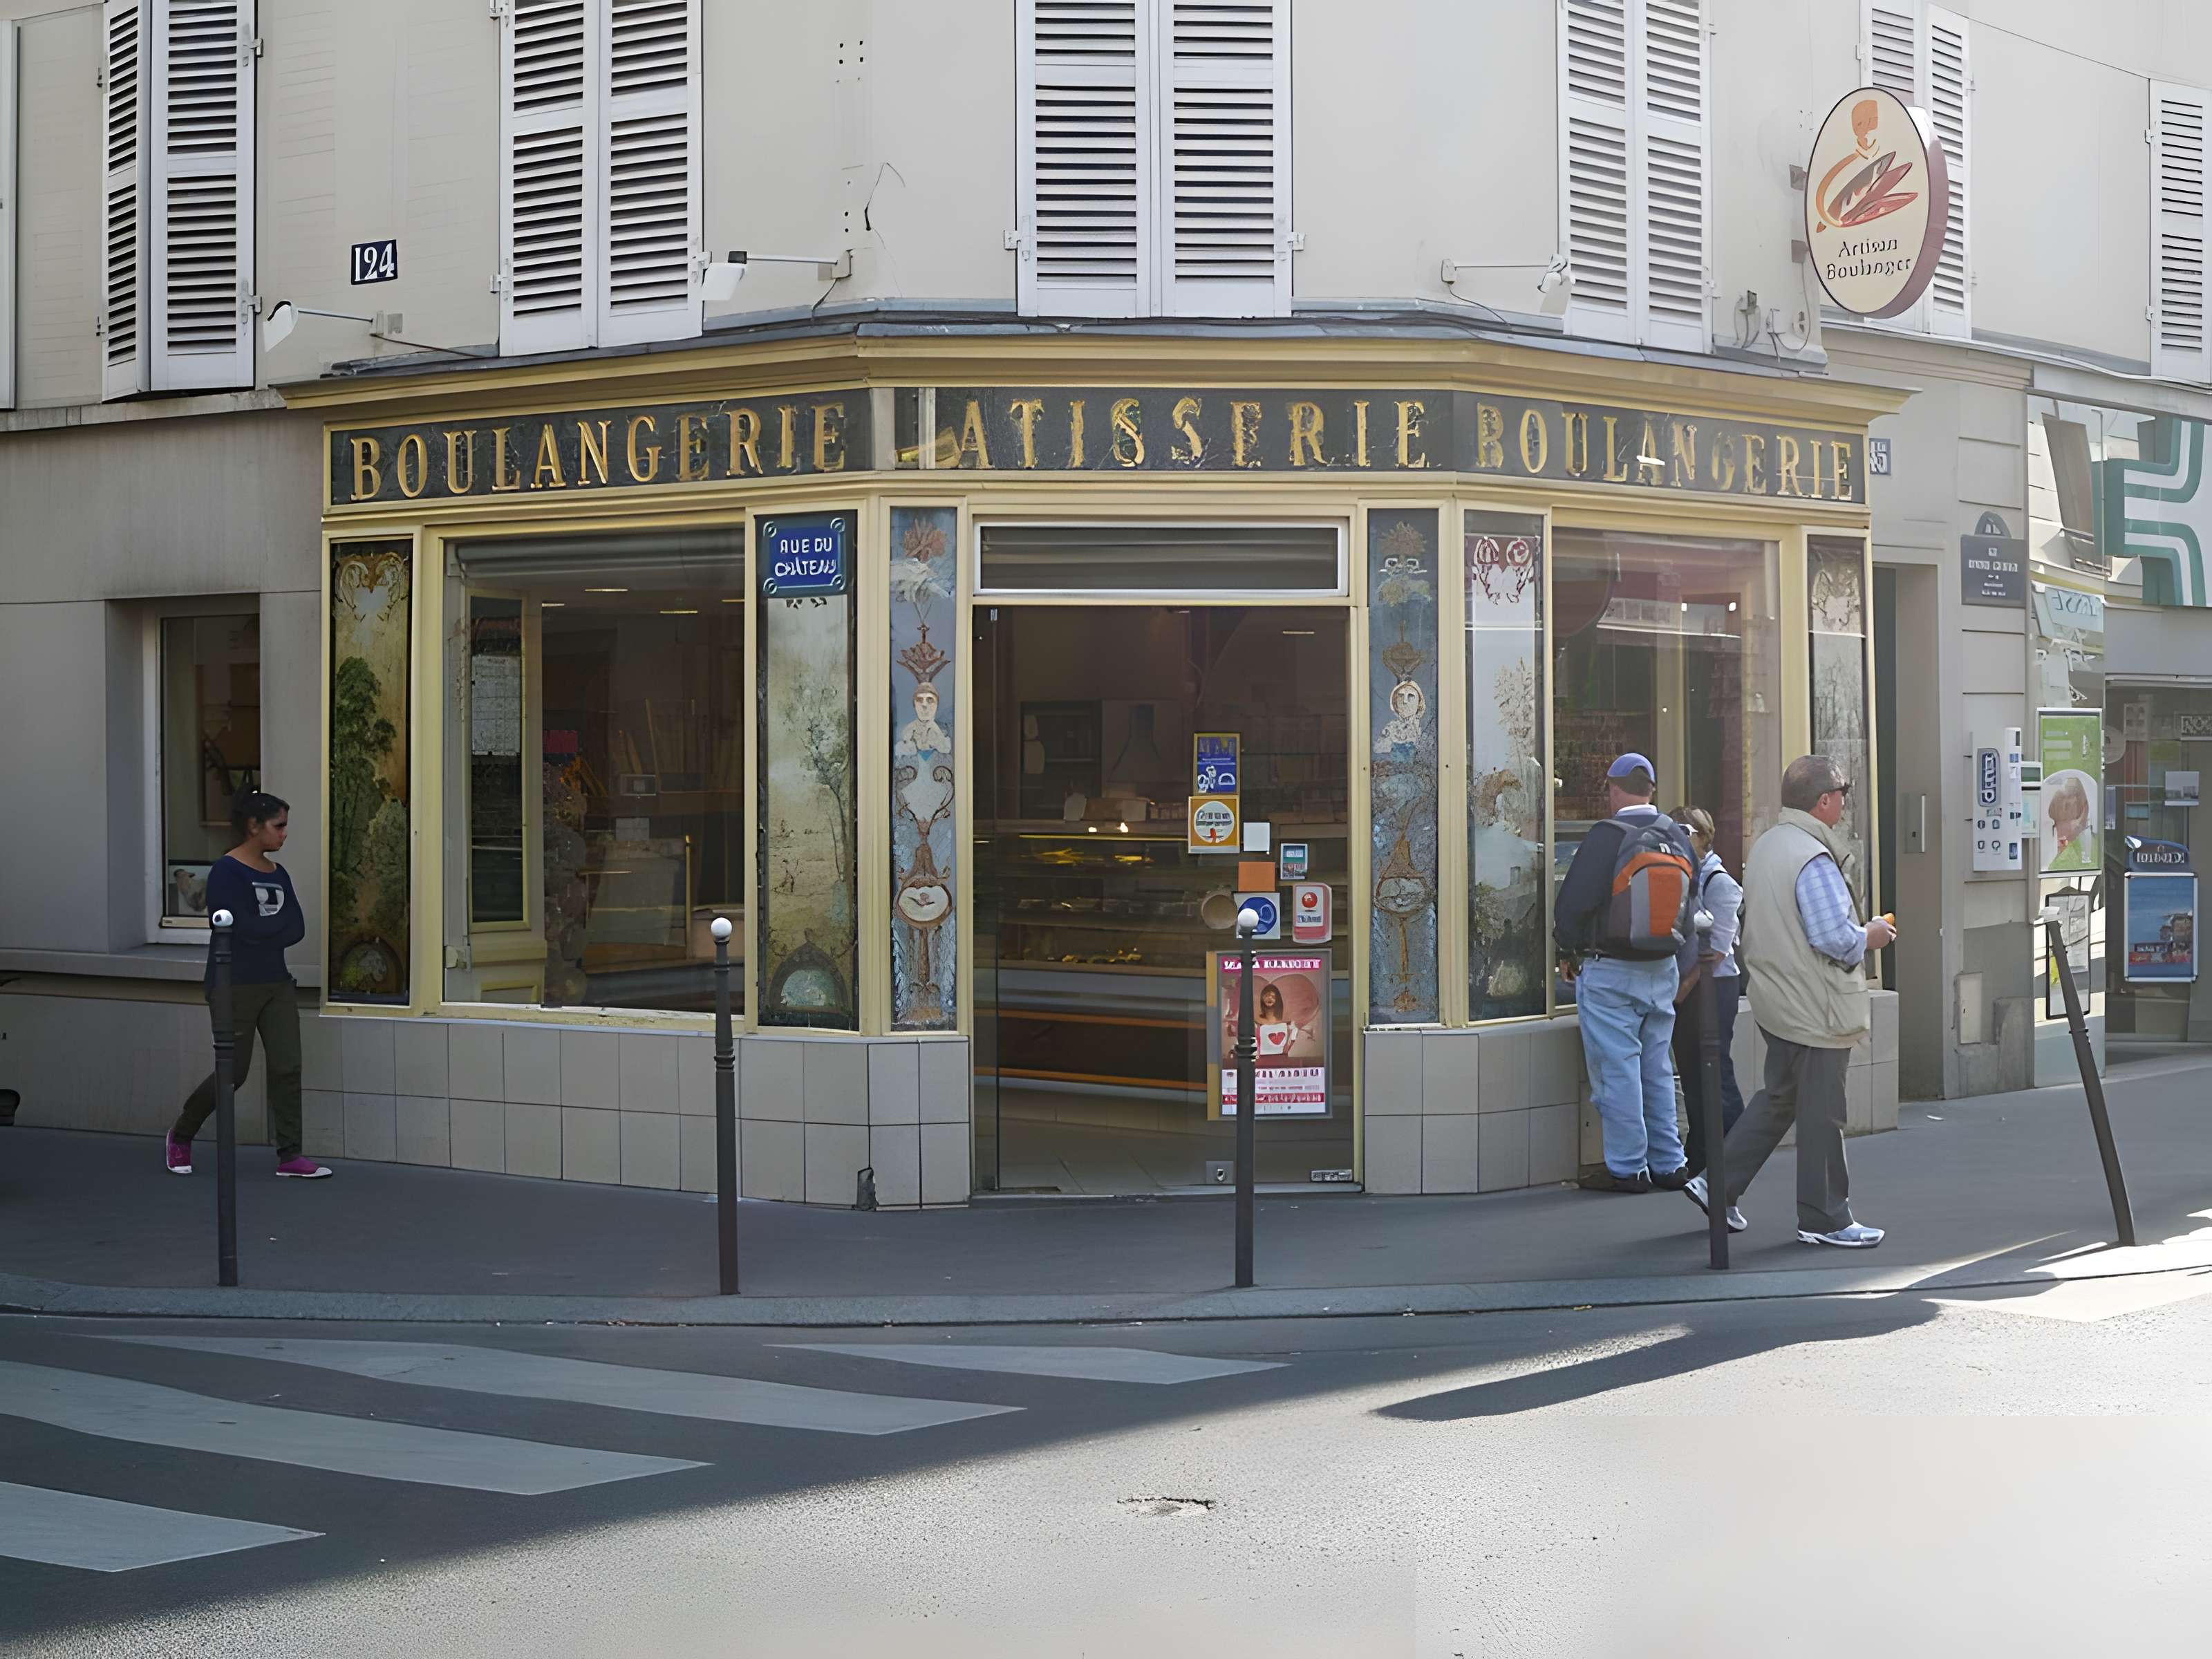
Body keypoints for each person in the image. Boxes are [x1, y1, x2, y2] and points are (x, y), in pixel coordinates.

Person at [1685, 756, 1895, 1246]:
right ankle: (1825, 1219)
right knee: (1823, 1112)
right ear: (1825, 801)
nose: (1846, 798)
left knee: (1781, 1098)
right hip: (1815, 1001)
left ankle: (1716, 1183)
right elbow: (1834, 939)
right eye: (1843, 790)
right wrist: (1873, 935)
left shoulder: (1769, 845)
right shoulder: (1812, 857)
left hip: (1777, 996)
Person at [166, 789, 332, 1180]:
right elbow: (233, 925)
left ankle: (290, 1155)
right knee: (233, 1074)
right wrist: (268, 929)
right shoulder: (227, 871)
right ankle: (182, 1133)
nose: (285, 834)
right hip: (232, 985)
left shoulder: (279, 874)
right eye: (279, 826)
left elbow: (297, 928)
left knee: (287, 1066)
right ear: (254, 826)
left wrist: (263, 930)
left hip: (276, 982)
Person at [1555, 754, 1696, 1193]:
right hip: (1663, 969)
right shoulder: (1678, 836)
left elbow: (1575, 902)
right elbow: (1693, 909)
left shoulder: (1607, 835)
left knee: (1617, 1068)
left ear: (1613, 788)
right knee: (1656, 1068)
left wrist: (1567, 948)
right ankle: (1671, 1164)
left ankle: (1628, 1168)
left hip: (1611, 969)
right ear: (1651, 789)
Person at [1668, 805, 1745, 1180]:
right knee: (1694, 1074)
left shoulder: (1720, 882)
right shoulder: (1687, 875)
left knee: (1713, 1071)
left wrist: (1682, 990)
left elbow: (1716, 949)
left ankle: (1734, 1148)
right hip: (1693, 986)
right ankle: (1700, 1153)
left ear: (1702, 836)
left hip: (1712, 987)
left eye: (1685, 831)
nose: (1678, 838)